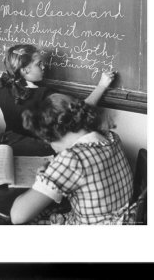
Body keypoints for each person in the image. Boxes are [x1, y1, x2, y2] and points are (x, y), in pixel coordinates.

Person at [10, 93, 135, 225]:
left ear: (50, 135)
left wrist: (43, 180)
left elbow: (18, 216)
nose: (54, 150)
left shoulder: (72, 158)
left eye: (47, 142)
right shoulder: (111, 137)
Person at [0, 44, 115, 136]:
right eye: (39, 64)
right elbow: (81, 110)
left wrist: (10, 73)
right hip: (37, 151)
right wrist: (102, 85)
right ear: (24, 70)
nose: (44, 67)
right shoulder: (44, 95)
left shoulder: (2, 89)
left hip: (11, 147)